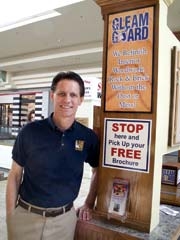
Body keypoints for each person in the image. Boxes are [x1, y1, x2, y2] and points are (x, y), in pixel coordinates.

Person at [6, 71, 100, 240]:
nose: (67, 100)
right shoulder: (30, 132)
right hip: (25, 218)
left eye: (73, 95)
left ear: (81, 99)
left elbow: (97, 170)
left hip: (64, 222)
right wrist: (11, 216)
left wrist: (89, 203)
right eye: (62, 94)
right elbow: (14, 175)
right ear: (52, 96)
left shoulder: (87, 137)